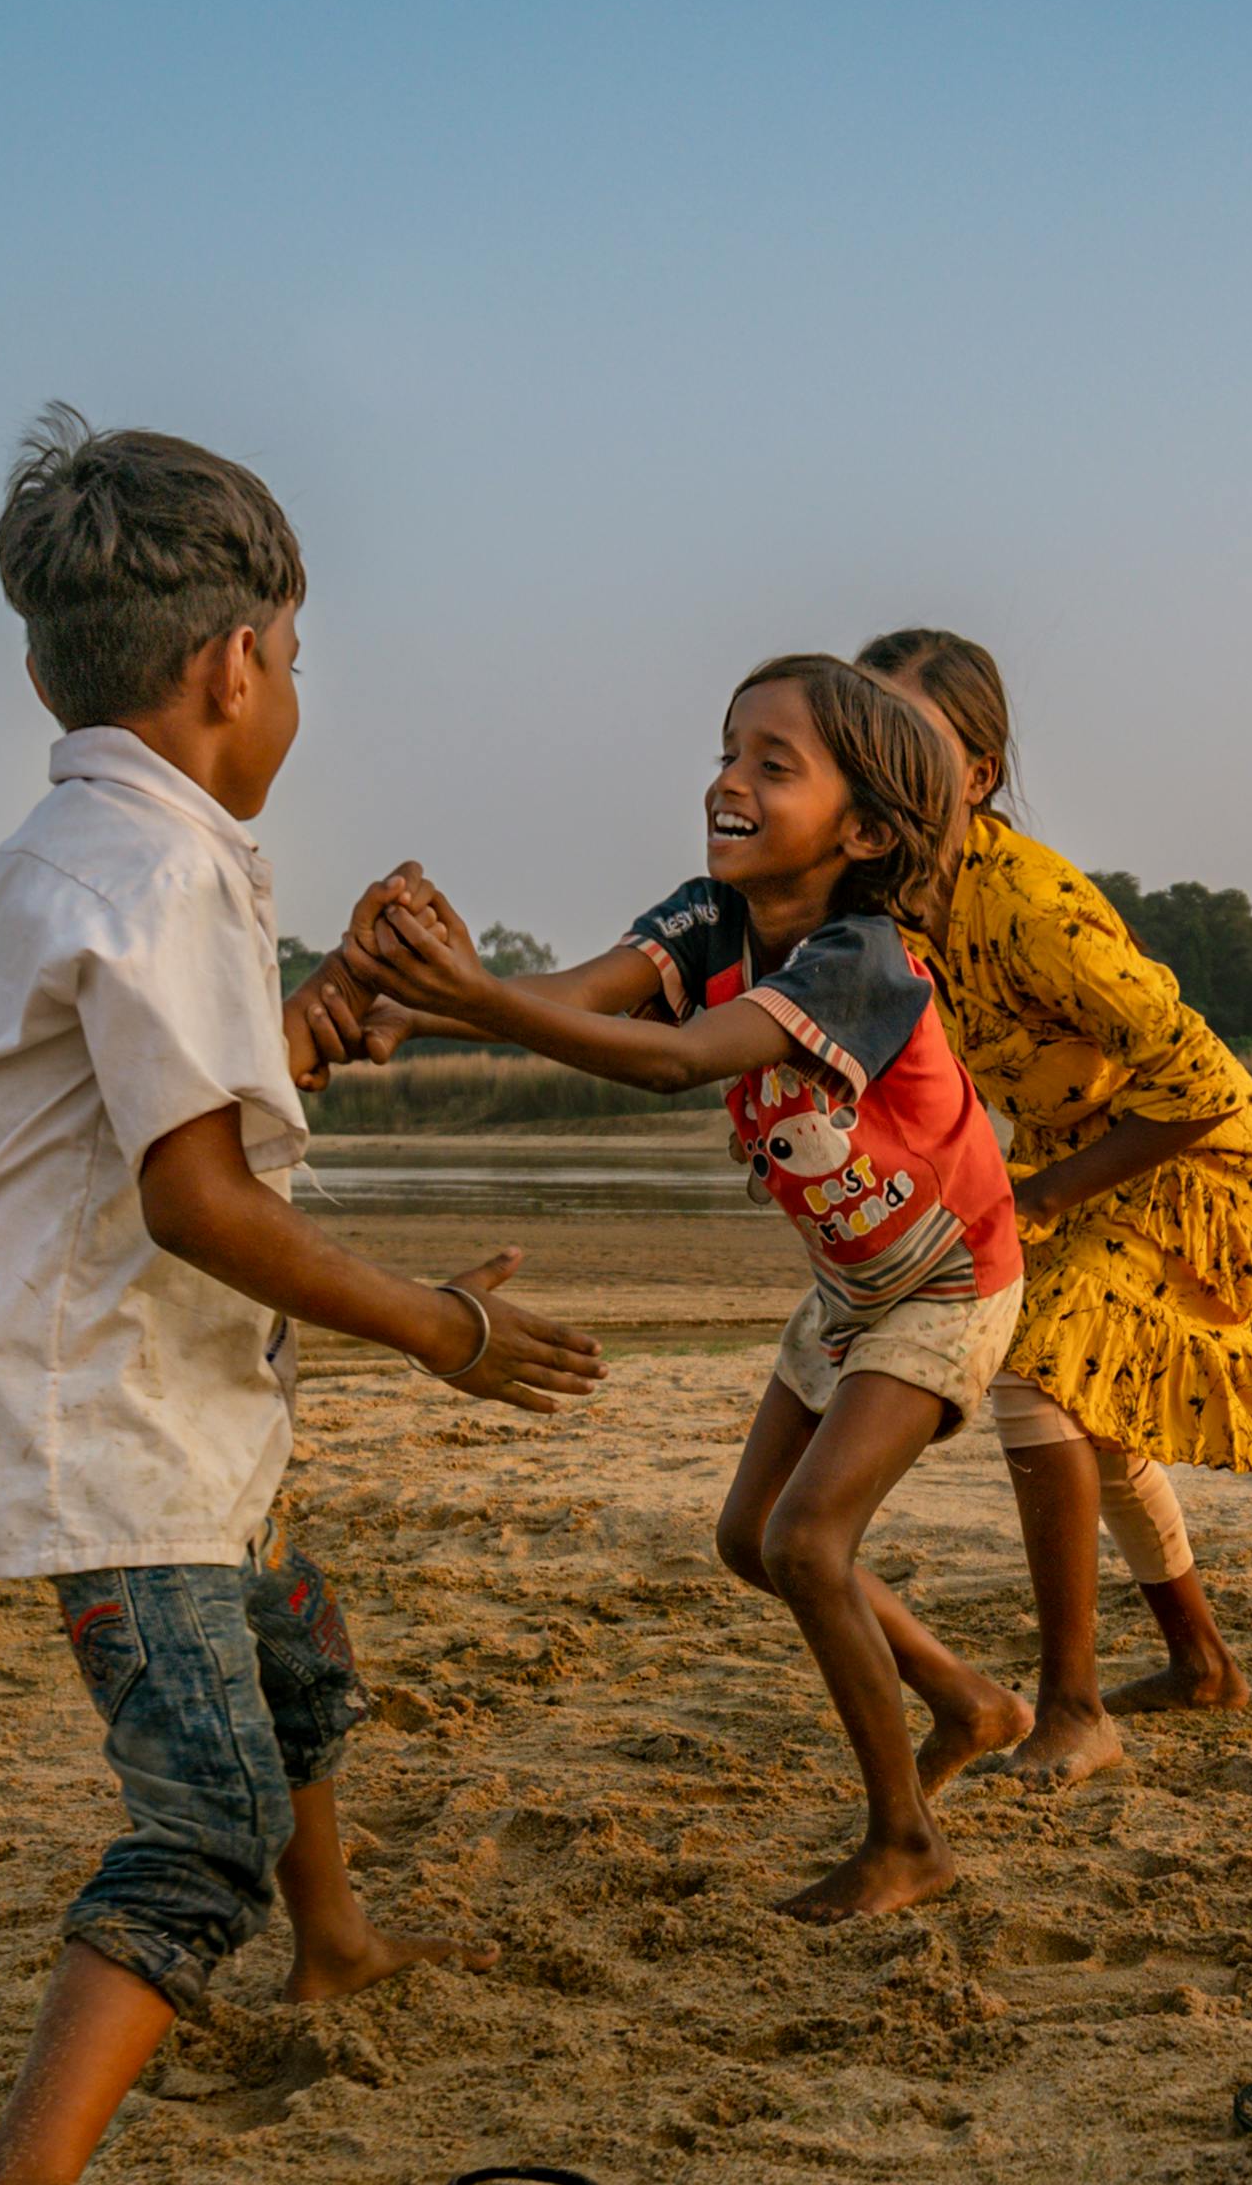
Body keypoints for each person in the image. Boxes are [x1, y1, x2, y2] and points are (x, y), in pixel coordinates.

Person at [0, 413, 603, 2185]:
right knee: (199, 1815)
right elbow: (195, 1198)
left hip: (168, 1393)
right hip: (112, 1411)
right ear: (235, 664)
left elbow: (176, 1106)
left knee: (294, 1661)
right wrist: (440, 1331)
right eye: (292, 662)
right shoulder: (154, 869)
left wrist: (329, 1015)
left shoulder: (89, 852)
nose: (291, 691)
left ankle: (343, 1946)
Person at [343, 656, 1024, 1922]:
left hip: (945, 1283)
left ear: (867, 829)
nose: (727, 781)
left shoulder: (860, 962)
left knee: (807, 1542)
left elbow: (676, 1060)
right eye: (727, 752)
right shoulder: (708, 917)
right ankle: (972, 1702)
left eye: (775, 765)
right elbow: (577, 1002)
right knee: (746, 1537)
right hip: (847, 1284)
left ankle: (908, 1843)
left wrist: (469, 993)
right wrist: (422, 1011)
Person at [857, 628, 1252, 1785]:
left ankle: (1072, 1707)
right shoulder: (900, 905)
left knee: (1041, 1373)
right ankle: (1200, 1662)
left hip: (1184, 1156)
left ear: (977, 771)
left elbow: (1207, 1091)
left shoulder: (1034, 907)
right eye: (863, 740)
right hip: (1075, 1150)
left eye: (913, 744)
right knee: (1089, 1409)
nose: (883, 769)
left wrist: (1041, 1193)